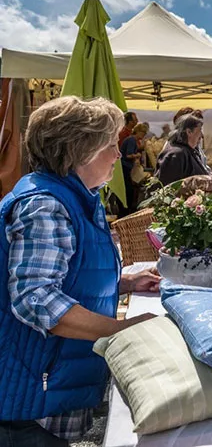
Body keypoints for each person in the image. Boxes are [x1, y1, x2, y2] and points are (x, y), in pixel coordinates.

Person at [0, 97, 159, 446]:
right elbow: (35, 298)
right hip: (32, 398)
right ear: (79, 150)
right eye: (110, 145)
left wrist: (124, 282)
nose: (118, 155)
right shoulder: (46, 205)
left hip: (51, 383)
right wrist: (120, 331)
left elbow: (70, 273)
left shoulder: (79, 196)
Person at [155, 114, 208, 185]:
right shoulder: (176, 155)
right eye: (200, 130)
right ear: (189, 132)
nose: (202, 136)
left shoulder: (188, 151)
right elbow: (169, 188)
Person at [119, 123, 148, 216]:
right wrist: (137, 155)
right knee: (129, 190)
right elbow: (128, 155)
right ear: (139, 132)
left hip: (127, 167)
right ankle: (126, 211)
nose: (143, 136)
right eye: (143, 133)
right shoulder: (131, 140)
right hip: (126, 168)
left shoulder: (131, 140)